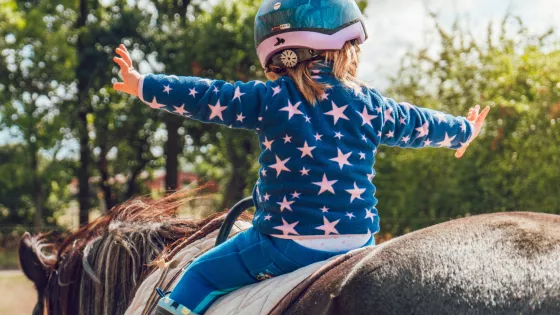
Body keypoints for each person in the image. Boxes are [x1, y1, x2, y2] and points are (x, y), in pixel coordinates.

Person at [113, 1, 490, 314]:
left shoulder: (270, 99)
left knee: (199, 276)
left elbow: (208, 97)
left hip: (285, 244)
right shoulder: (372, 106)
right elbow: (418, 122)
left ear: (278, 53)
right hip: (359, 243)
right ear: (346, 50)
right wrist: (463, 131)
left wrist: (141, 84)